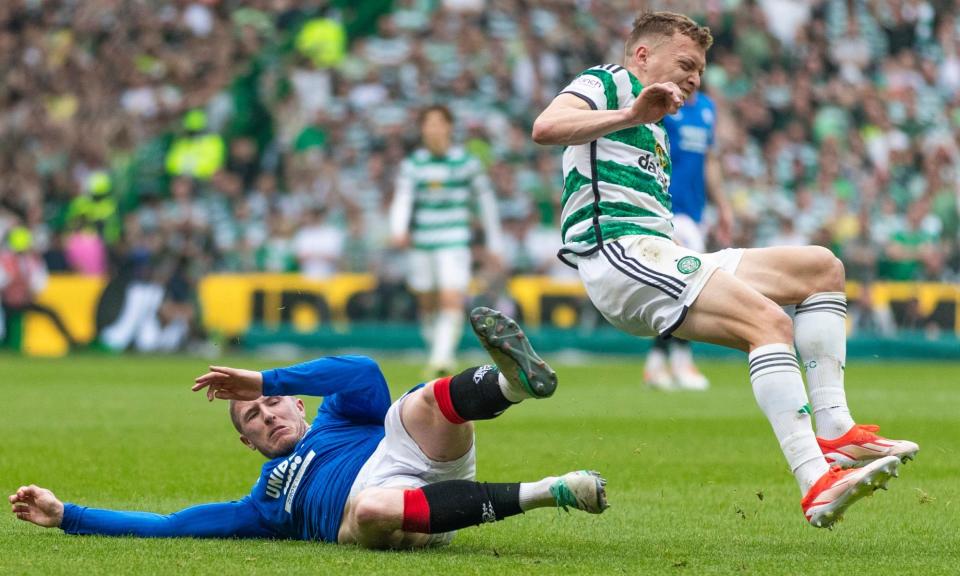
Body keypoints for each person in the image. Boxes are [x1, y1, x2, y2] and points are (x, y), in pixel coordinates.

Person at [531, 11, 917, 528]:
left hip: (656, 252)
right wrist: (631, 114)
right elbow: (545, 127)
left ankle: (836, 430)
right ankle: (815, 482)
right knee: (770, 323)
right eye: (687, 64)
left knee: (821, 267)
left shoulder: (662, 127)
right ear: (643, 55)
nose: (695, 77)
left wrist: (646, 120)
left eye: (701, 71)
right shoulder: (606, 83)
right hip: (618, 256)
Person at [9, 308, 608, 549]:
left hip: (418, 463)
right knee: (374, 505)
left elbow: (360, 369)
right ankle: (550, 491)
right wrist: (69, 515)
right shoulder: (265, 502)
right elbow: (170, 527)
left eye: (272, 403)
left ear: (298, 405)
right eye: (253, 417)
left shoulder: (340, 414)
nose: (267, 413)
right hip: (380, 515)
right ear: (248, 443)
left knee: (412, 404)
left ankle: (512, 386)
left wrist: (260, 375)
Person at [390, 105, 504, 377]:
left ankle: (442, 358)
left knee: (451, 297)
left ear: (449, 127)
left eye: (439, 123)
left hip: (454, 241)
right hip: (423, 242)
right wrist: (398, 228)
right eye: (428, 123)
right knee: (427, 300)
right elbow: (403, 197)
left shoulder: (467, 163)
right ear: (422, 129)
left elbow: (486, 202)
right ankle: (436, 349)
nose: (434, 129)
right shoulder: (413, 164)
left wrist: (495, 243)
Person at [644, 89, 733, 391]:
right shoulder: (667, 106)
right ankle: (680, 361)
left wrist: (722, 206)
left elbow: (709, 160)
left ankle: (657, 364)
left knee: (683, 288)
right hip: (669, 208)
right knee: (689, 284)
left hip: (695, 211)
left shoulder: (707, 107)